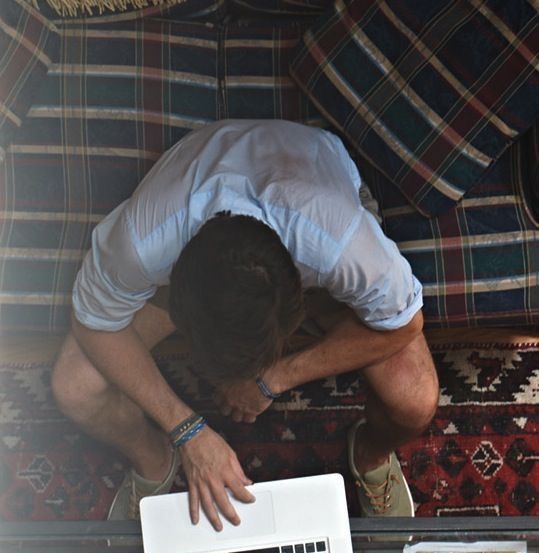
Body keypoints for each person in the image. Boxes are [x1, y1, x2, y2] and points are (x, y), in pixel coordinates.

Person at [51, 119, 439, 531]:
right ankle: (152, 459)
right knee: (74, 386)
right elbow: (93, 324)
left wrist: (273, 378)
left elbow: (406, 324)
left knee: (414, 398)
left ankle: (371, 454)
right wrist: (187, 430)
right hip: (201, 243)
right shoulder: (143, 242)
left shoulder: (344, 244)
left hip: (312, 188)